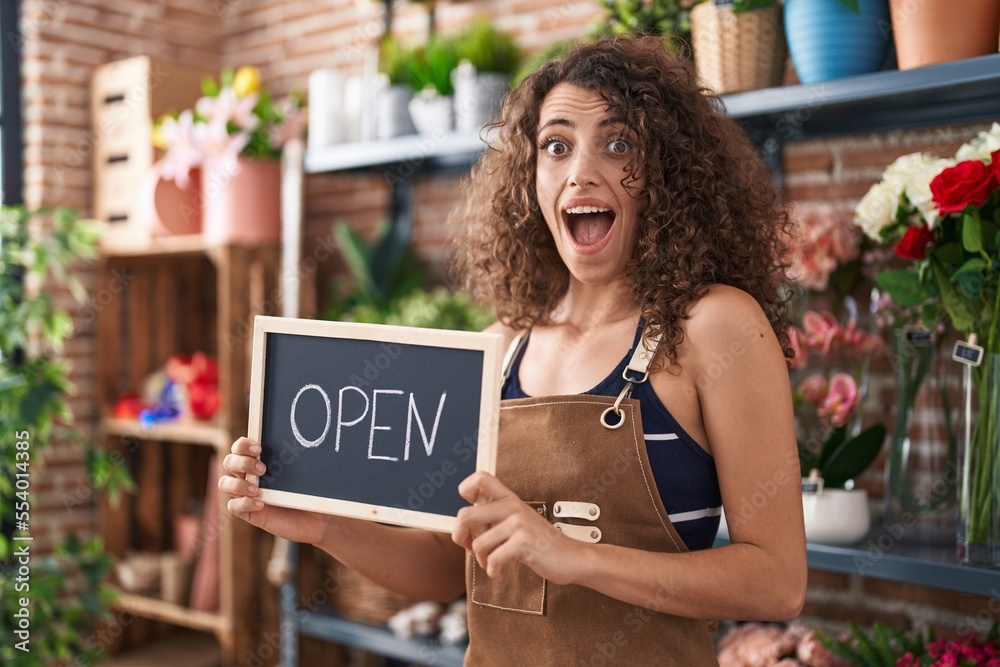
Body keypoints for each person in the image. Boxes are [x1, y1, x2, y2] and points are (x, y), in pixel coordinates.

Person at [221, 35, 806, 665]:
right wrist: (320, 524)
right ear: (531, 178)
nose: (581, 170)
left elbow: (776, 581)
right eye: (556, 146)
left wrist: (574, 556)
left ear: (668, 173)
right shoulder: (499, 349)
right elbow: (452, 564)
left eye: (619, 143)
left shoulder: (713, 327)